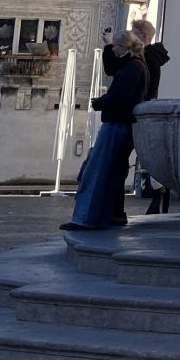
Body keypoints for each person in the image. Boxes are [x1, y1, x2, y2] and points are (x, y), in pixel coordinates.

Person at [62, 31, 149, 231]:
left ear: (125, 48)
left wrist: (99, 102)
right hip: (123, 125)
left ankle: (85, 218)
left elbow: (120, 97)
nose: (114, 51)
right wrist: (108, 45)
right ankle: (105, 216)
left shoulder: (131, 69)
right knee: (107, 172)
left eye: (117, 47)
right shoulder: (136, 65)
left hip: (117, 125)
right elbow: (111, 68)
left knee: (97, 171)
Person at [104, 19, 171, 213]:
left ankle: (116, 210)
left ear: (142, 37)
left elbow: (117, 73)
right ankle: (117, 209)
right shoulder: (146, 58)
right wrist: (109, 47)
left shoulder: (144, 59)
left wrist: (110, 47)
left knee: (118, 162)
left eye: (132, 34)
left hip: (133, 116)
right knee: (120, 161)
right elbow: (113, 68)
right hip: (137, 115)